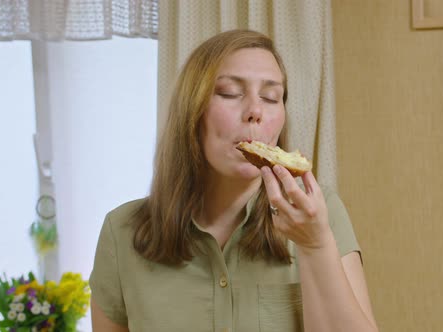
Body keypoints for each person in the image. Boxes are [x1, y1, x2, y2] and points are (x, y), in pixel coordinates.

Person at [90, 29, 378, 332]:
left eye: (271, 97)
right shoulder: (121, 232)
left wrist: (316, 247)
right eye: (229, 93)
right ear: (192, 111)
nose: (255, 111)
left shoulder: (319, 212)